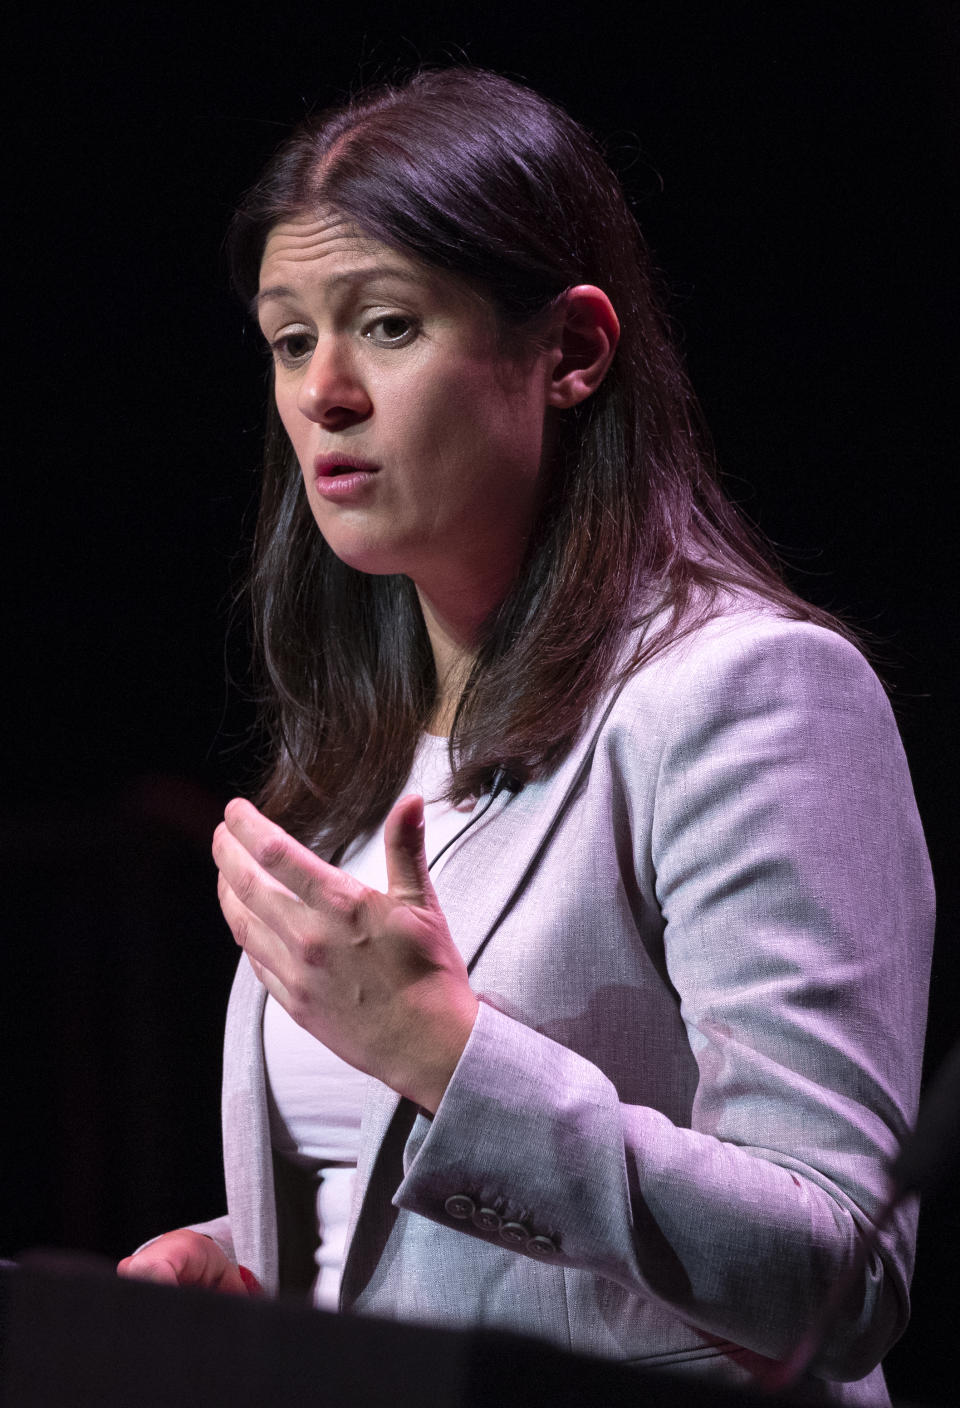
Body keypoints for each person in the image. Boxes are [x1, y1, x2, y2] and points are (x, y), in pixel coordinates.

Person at [118, 68, 934, 1403]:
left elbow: (838, 1279)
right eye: (286, 338)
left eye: (385, 325)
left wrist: (447, 1052)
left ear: (572, 351)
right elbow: (430, 1217)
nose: (324, 391)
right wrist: (251, 1262)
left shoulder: (750, 695)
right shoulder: (364, 753)